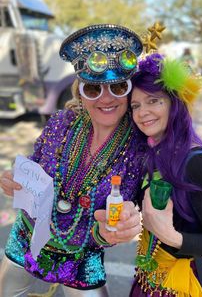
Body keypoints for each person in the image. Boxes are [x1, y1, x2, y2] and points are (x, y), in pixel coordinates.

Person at [0, 24, 144, 297]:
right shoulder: (61, 123)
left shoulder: (138, 148)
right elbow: (32, 167)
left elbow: (129, 208)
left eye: (117, 87)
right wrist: (13, 179)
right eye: (93, 88)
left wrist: (117, 228)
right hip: (27, 237)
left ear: (129, 90)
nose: (106, 98)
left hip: (83, 255)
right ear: (80, 91)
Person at [128, 53, 202, 296]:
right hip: (149, 279)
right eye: (135, 105)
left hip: (185, 285)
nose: (142, 112)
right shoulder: (152, 152)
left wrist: (173, 237)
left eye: (154, 100)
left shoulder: (198, 164)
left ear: (175, 103)